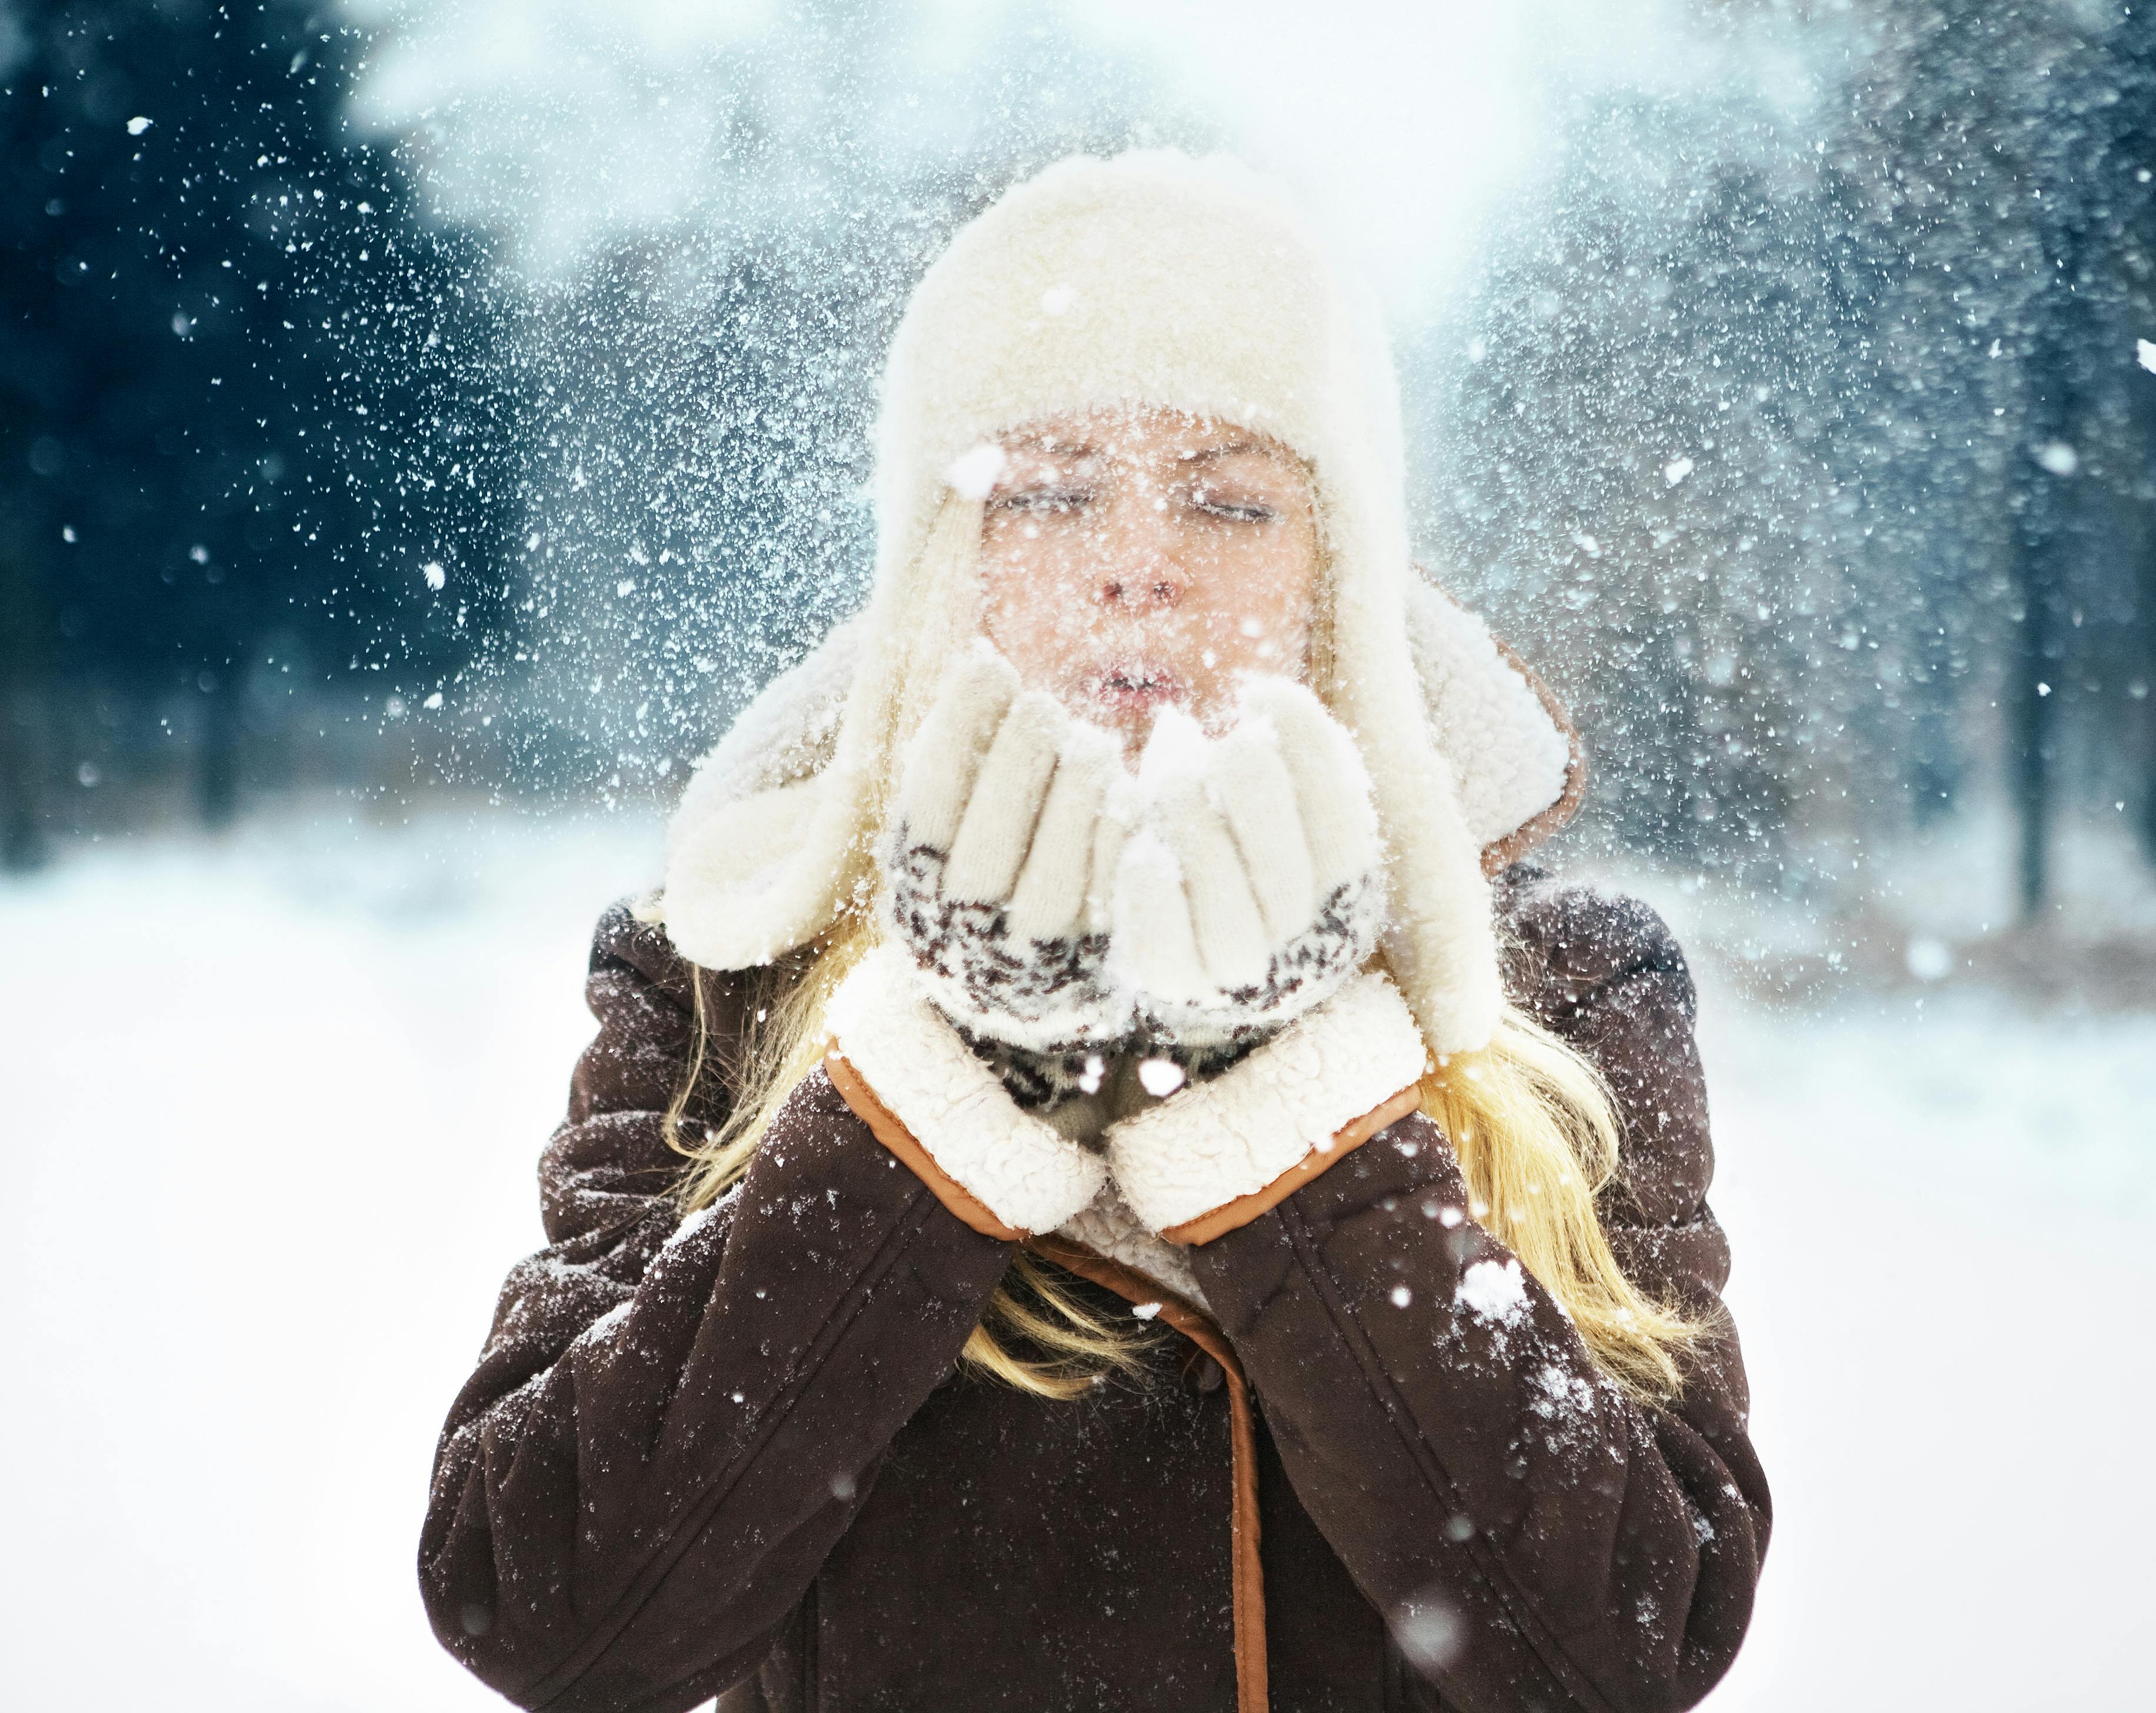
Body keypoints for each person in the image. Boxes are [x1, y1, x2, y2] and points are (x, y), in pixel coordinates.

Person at [419, 151, 1769, 1713]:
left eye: (1231, 496)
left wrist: (1284, 1100)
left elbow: (1629, 1647)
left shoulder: (1560, 992)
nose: (1144, 560)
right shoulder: (723, 976)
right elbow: (549, 1613)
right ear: (944, 568)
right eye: (1051, 488)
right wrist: (955, 1083)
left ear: (1337, 568)